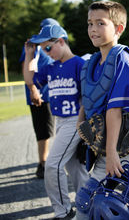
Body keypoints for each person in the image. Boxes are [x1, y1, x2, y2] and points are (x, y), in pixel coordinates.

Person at [77, 1, 129, 219]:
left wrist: (113, 153)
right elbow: (87, 99)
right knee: (87, 204)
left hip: (127, 148)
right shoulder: (92, 62)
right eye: (90, 23)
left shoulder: (122, 58)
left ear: (119, 28)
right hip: (106, 148)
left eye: (100, 23)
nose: (93, 29)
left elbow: (115, 110)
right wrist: (80, 126)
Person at [23, 24, 89, 219]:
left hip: (75, 121)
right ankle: (88, 203)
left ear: (61, 41)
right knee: (74, 168)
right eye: (43, 49)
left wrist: (81, 122)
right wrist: (29, 55)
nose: (46, 52)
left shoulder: (78, 64)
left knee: (52, 165)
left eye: (48, 48)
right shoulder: (50, 67)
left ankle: (64, 212)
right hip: (60, 121)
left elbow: (86, 97)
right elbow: (29, 79)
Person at [19, 18, 57, 179]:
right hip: (41, 95)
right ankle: (42, 164)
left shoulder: (51, 46)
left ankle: (45, 162)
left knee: (48, 129)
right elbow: (27, 66)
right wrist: (33, 89)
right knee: (45, 130)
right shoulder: (36, 45)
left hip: (49, 93)